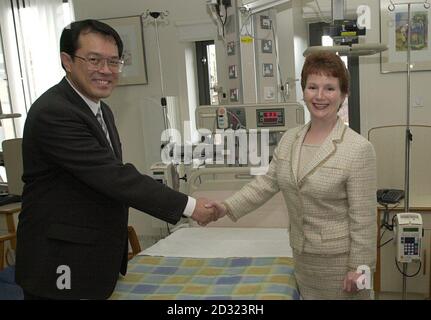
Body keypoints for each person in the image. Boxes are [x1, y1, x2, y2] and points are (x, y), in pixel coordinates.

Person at [15, 19, 216, 300]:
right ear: (67, 61)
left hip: (90, 255)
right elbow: (113, 177)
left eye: (114, 61)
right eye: (94, 60)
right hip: (59, 259)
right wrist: (190, 206)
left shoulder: (101, 110)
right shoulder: (54, 112)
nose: (106, 71)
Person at [207, 51, 377, 299]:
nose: (320, 96)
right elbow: (265, 184)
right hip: (304, 261)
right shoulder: (290, 139)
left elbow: (364, 219)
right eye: (312, 87)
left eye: (329, 88)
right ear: (304, 92)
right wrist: (225, 207)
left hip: (342, 266)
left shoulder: (358, 149)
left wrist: (360, 268)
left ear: (343, 94)